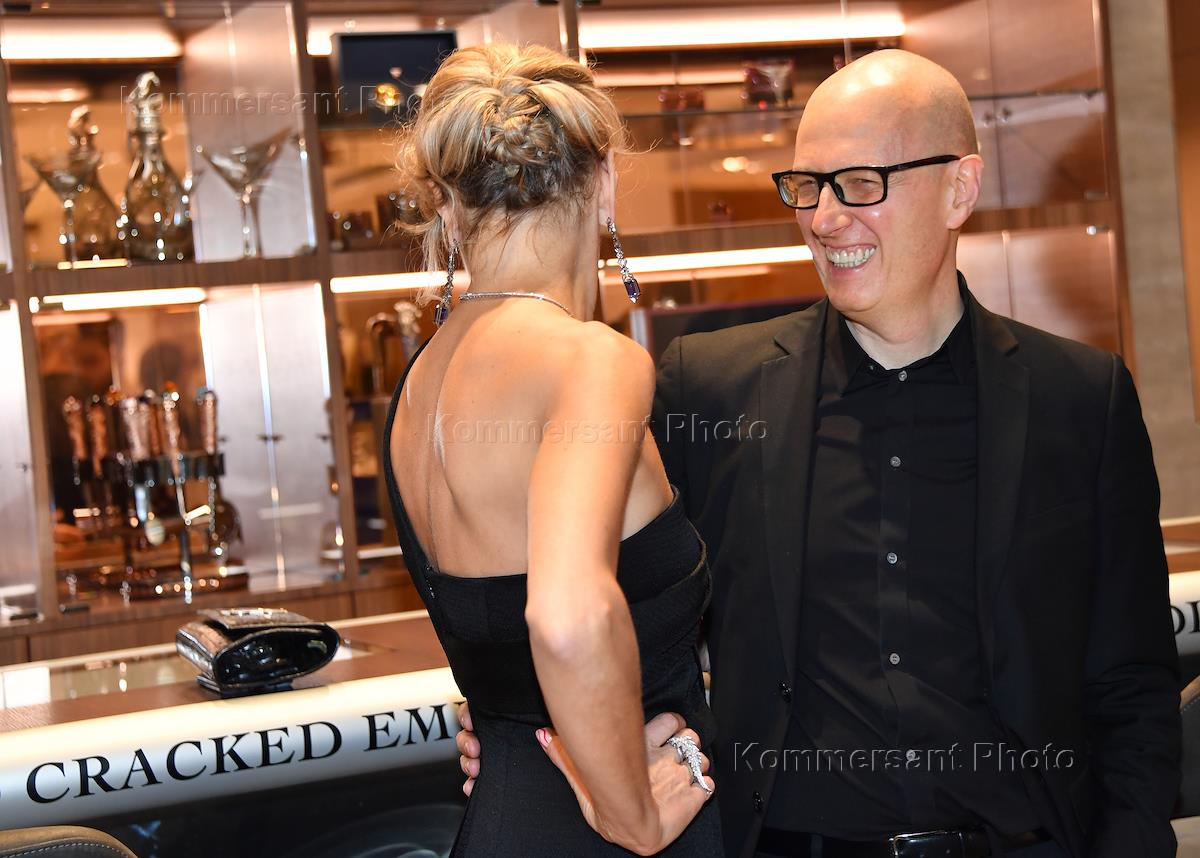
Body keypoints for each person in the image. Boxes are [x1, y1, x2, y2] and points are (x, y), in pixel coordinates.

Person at [459, 49, 1181, 858]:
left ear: (960, 189)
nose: (826, 218)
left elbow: (1132, 681)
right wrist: (516, 730)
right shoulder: (709, 388)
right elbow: (611, 599)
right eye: (808, 186)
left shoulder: (1082, 399)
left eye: (862, 183)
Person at [383, 43, 721, 857]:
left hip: (501, 823)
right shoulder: (591, 360)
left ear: (446, 208)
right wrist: (634, 817)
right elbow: (566, 619)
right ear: (605, 181)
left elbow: (499, 635)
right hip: (616, 834)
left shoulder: (418, 383)